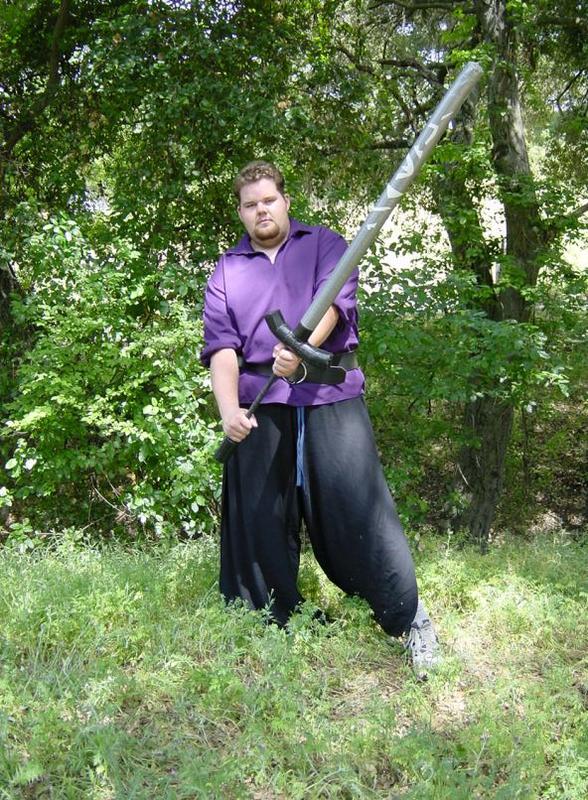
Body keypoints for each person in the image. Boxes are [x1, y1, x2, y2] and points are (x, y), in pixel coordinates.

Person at [201, 160, 440, 678]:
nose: (261, 210)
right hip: (261, 404)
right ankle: (270, 622)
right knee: (259, 520)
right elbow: (221, 349)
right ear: (240, 213)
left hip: (328, 395)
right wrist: (228, 412)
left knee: (359, 509)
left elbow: (333, 304)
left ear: (286, 201)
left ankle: (408, 618)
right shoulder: (227, 270)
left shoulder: (326, 244)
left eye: (269, 200)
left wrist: (301, 347)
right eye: (250, 204)